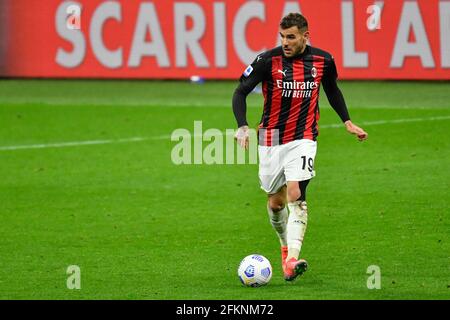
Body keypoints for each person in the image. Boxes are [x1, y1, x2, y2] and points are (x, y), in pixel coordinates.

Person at [232, 13, 368, 281]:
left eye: (291, 36)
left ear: (306, 36)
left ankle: (292, 259)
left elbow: (332, 90)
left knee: (295, 193)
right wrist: (242, 125)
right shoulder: (266, 60)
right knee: (275, 203)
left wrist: (347, 121)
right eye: (282, 36)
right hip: (270, 139)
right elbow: (240, 91)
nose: (285, 42)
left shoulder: (323, 61)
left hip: (304, 137)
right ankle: (284, 247)